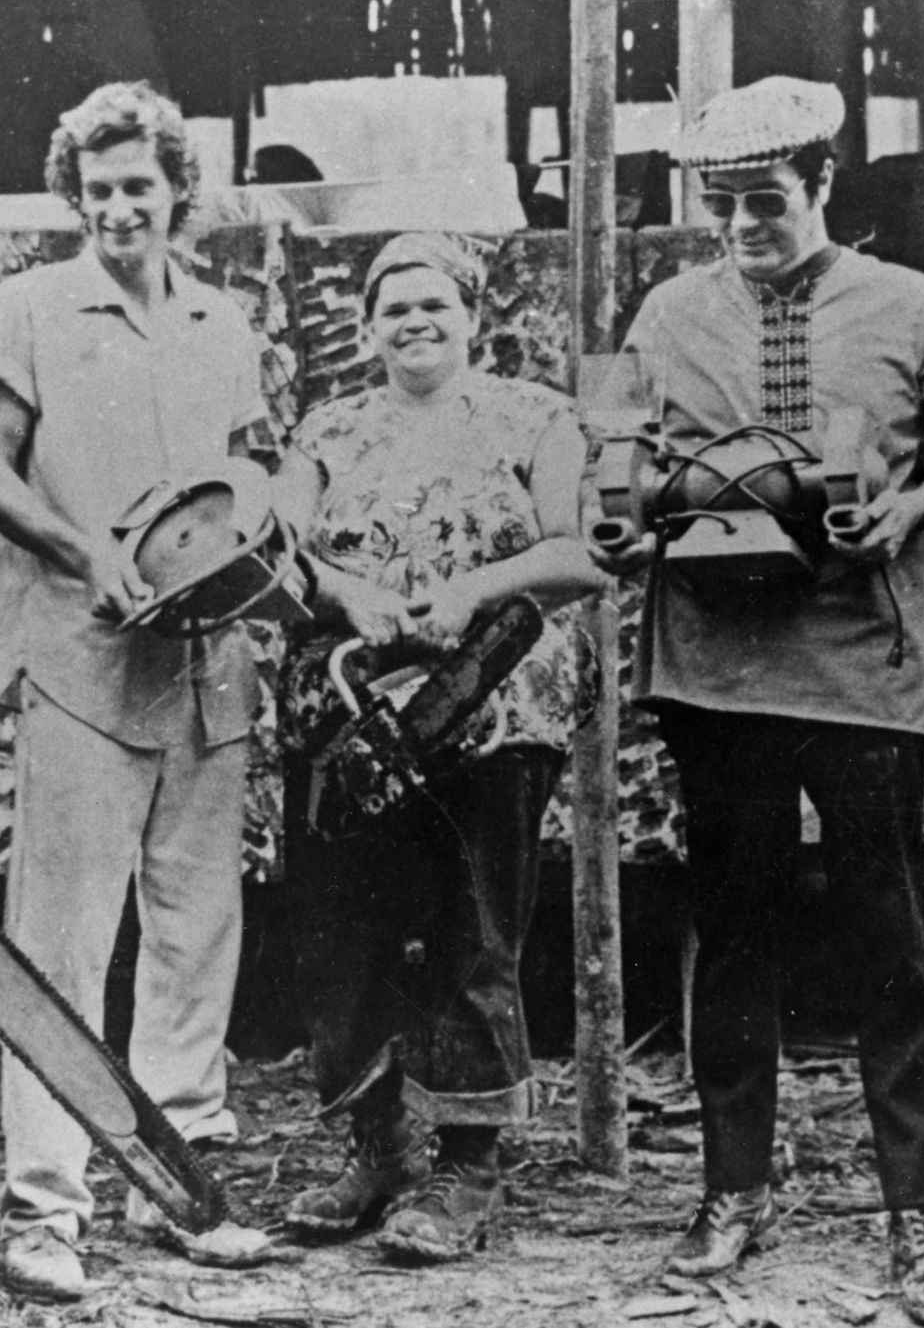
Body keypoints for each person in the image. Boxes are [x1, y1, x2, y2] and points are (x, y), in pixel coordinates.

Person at [584, 77, 924, 1322]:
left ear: (821, 183)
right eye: (722, 206)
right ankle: (732, 1193)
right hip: (716, 666)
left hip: (861, 662)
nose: (742, 227)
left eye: (765, 201)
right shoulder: (669, 313)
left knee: (888, 934)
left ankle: (917, 1213)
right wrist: (627, 519)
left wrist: (907, 511)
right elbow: (618, 458)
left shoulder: (907, 304)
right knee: (733, 928)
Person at [0, 80, 283, 1301]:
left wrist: (255, 545)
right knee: (61, 943)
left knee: (194, 935)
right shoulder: (31, 308)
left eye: (137, 186)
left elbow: (249, 468)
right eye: (95, 191)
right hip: (83, 666)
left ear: (176, 190)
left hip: (209, 667)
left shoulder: (220, 320)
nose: (116, 210)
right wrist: (85, 554)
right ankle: (44, 1207)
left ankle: (180, 1187)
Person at [272, 234, 602, 1262]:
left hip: (490, 700)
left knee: (473, 925)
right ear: (366, 325)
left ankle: (468, 1167)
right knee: (347, 926)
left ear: (472, 316)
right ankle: (378, 1152)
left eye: (434, 305)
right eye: (394, 308)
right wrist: (349, 595)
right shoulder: (327, 429)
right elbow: (282, 552)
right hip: (349, 706)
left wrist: (469, 592)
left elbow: (579, 551)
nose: (414, 322)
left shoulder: (537, 417)